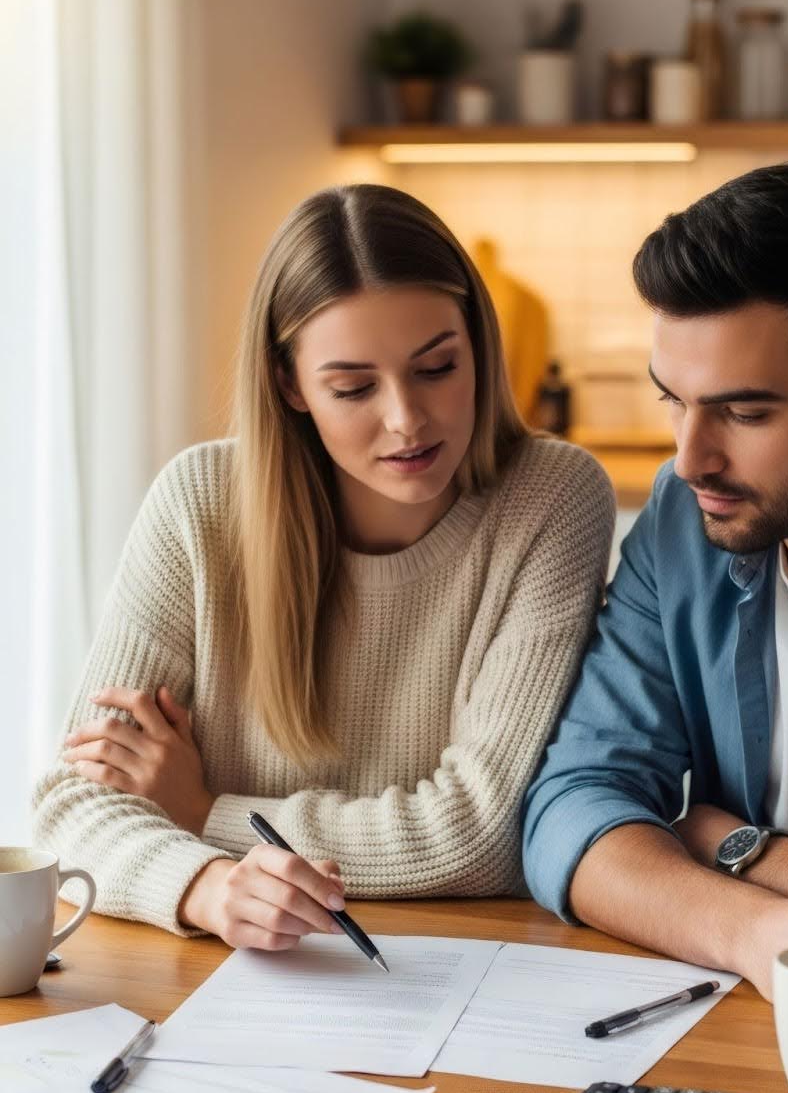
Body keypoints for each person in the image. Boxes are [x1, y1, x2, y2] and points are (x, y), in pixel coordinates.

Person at [33, 183, 614, 949]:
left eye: (437, 367)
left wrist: (205, 812)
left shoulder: (552, 496)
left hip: (465, 962)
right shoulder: (199, 503)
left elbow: (482, 833)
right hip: (236, 970)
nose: (406, 418)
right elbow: (73, 807)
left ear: (477, 343)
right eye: (353, 387)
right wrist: (204, 886)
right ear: (289, 384)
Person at [522, 162, 788, 1000]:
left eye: (745, 414)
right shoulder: (683, 525)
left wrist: (738, 844)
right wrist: (751, 930)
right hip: (756, 1018)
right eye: (672, 401)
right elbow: (573, 807)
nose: (689, 459)